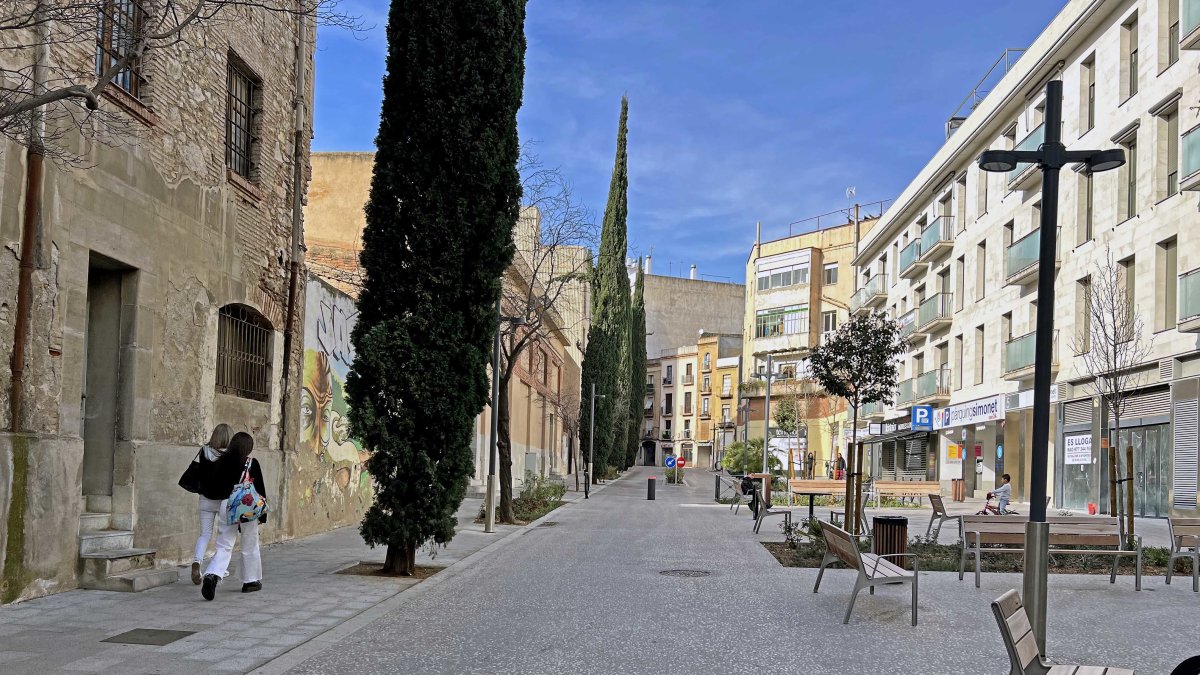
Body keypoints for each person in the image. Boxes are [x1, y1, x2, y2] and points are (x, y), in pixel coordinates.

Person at [199, 431, 266, 600]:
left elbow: (213, 487)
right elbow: (259, 489)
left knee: (224, 544)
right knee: (250, 543)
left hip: (225, 504)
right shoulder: (251, 463)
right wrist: (262, 514)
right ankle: (250, 581)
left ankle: (212, 574)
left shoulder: (221, 461)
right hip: (247, 505)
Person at [190, 424, 231, 585]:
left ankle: (197, 562)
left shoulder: (204, 451)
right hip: (223, 500)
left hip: (205, 498)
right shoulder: (230, 456)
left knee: (204, 534)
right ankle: (217, 568)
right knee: (223, 537)